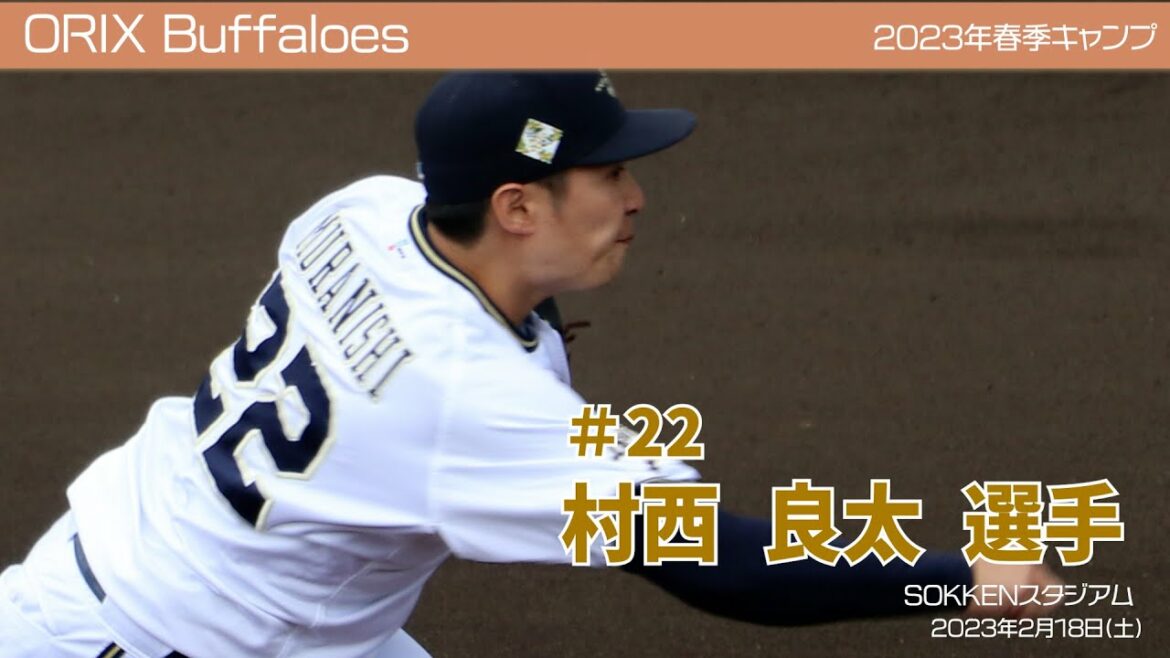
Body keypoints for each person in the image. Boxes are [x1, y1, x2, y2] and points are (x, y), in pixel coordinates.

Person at [0, 71, 1061, 658]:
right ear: (514, 206)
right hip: (158, 638)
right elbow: (719, 565)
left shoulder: (363, 210)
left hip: (123, 556)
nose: (636, 197)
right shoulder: (470, 402)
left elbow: (475, 316)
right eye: (608, 175)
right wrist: (962, 578)